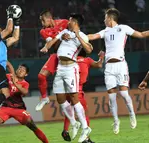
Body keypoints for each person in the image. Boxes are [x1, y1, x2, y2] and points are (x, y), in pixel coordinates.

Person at [87, 8, 149, 134]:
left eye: (105, 17)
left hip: (121, 65)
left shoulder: (123, 28)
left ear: (110, 18)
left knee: (124, 94)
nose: (104, 20)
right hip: (109, 68)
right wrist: (78, 35)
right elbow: (92, 36)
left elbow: (141, 34)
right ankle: (116, 121)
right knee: (111, 97)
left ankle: (132, 114)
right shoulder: (105, 31)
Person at [40, 13, 93, 143]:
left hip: (71, 68)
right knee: (60, 99)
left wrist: (78, 36)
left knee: (74, 98)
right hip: (60, 69)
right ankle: (74, 123)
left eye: (69, 21)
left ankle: (85, 128)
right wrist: (46, 47)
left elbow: (89, 50)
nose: (67, 22)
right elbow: (52, 41)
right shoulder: (64, 31)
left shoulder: (83, 36)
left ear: (74, 22)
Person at [0, 64, 49, 143]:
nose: (20, 70)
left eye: (23, 70)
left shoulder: (25, 83)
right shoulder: (8, 76)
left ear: (26, 74)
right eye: (19, 68)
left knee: (32, 125)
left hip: (19, 109)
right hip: (6, 107)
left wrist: (15, 83)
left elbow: (25, 92)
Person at [62, 49, 104, 143]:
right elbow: (99, 65)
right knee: (84, 114)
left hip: (68, 89)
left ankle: (65, 130)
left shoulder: (70, 60)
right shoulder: (87, 60)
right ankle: (85, 139)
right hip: (78, 90)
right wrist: (101, 57)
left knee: (70, 110)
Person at [36, 10, 69, 111]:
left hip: (69, 54)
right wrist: (60, 36)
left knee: (71, 93)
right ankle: (44, 98)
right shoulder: (43, 31)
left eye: (43, 21)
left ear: (49, 18)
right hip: (56, 54)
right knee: (41, 76)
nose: (42, 24)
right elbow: (52, 43)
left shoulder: (65, 22)